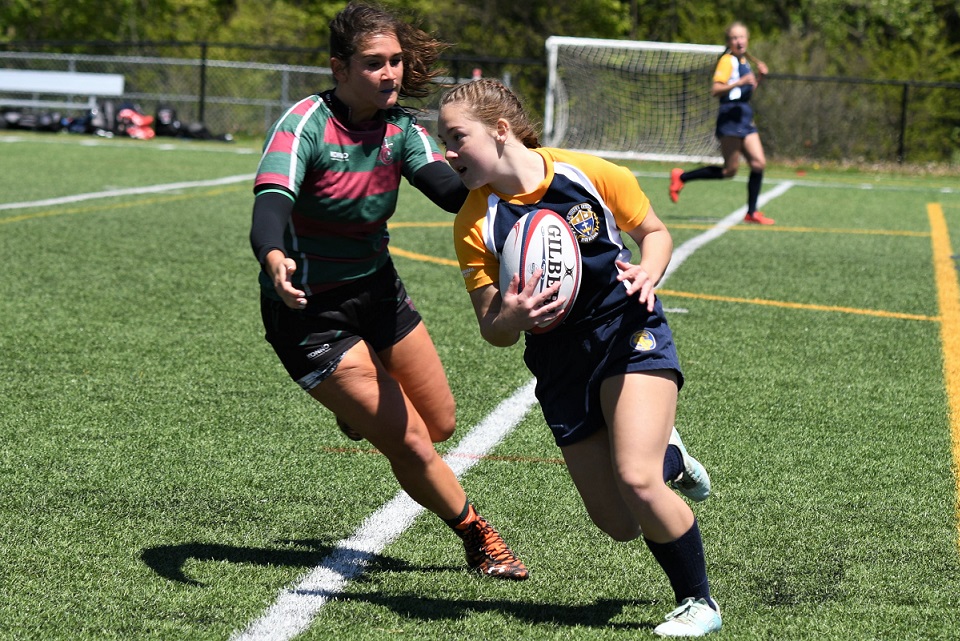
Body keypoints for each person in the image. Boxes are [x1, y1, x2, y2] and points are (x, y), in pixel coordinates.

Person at [249, 2, 528, 581]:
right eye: (375, 63)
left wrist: (517, 177)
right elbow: (271, 201)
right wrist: (274, 256)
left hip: (377, 293)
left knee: (441, 424)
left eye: (397, 62)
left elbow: (452, 194)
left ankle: (358, 415)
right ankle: (479, 538)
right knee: (411, 443)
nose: (391, 74)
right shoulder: (305, 123)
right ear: (340, 67)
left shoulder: (401, 128)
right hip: (309, 312)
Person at [438, 78, 721, 636]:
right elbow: (493, 330)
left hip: (628, 330)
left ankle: (699, 603)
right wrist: (512, 316)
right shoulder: (475, 222)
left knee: (637, 480)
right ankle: (673, 459)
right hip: (560, 363)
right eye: (441, 139)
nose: (446, 153)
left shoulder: (587, 172)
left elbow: (654, 232)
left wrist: (650, 269)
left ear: (499, 131)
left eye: (455, 137)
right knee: (618, 522)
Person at [669, 21, 774, 225]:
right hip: (729, 117)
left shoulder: (744, 61)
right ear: (729, 41)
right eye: (734, 38)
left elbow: (744, 93)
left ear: (747, 39)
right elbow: (716, 89)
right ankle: (682, 177)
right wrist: (740, 82)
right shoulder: (727, 61)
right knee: (729, 171)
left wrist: (758, 78)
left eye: (741, 37)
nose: (738, 41)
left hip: (744, 114)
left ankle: (752, 212)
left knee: (759, 163)